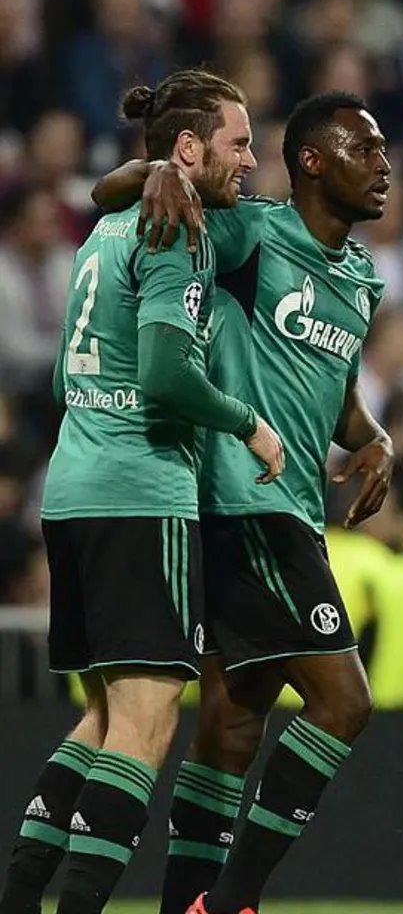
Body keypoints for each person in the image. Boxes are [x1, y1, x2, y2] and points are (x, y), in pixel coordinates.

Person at [93, 91, 395, 914]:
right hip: (241, 499)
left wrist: (374, 437)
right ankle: (231, 903)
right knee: (343, 702)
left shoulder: (362, 279)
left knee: (233, 722)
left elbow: (340, 393)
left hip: (292, 506)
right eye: (365, 151)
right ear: (312, 161)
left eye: (383, 152)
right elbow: (112, 196)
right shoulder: (254, 233)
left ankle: (186, 902)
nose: (385, 167)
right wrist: (156, 168)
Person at [0, 69, 284, 914]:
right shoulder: (175, 229)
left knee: (101, 721)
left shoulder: (109, 227)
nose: (251, 157)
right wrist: (246, 422)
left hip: (75, 488)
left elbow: (64, 371)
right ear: (190, 150)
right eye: (238, 143)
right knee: (148, 722)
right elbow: (165, 374)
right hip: (140, 493)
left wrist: (142, 173)